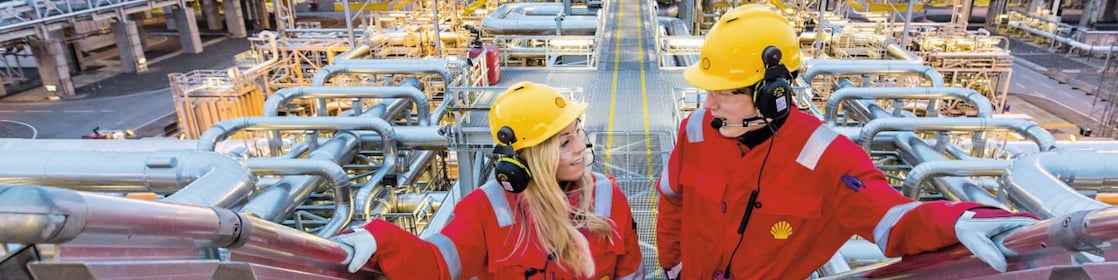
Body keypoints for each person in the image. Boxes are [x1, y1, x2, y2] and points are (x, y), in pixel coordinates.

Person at [655, 4, 1039, 279]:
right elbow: (672, 199)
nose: (710, 103)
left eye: (723, 92)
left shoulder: (827, 158)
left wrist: (960, 220)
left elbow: (892, 220)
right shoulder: (697, 130)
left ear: (771, 93)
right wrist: (674, 266)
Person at [333, 81, 645, 279]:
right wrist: (380, 238)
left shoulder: (606, 195)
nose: (580, 148)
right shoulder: (485, 210)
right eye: (563, 143)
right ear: (529, 156)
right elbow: (437, 264)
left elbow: (631, 272)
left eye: (577, 133)